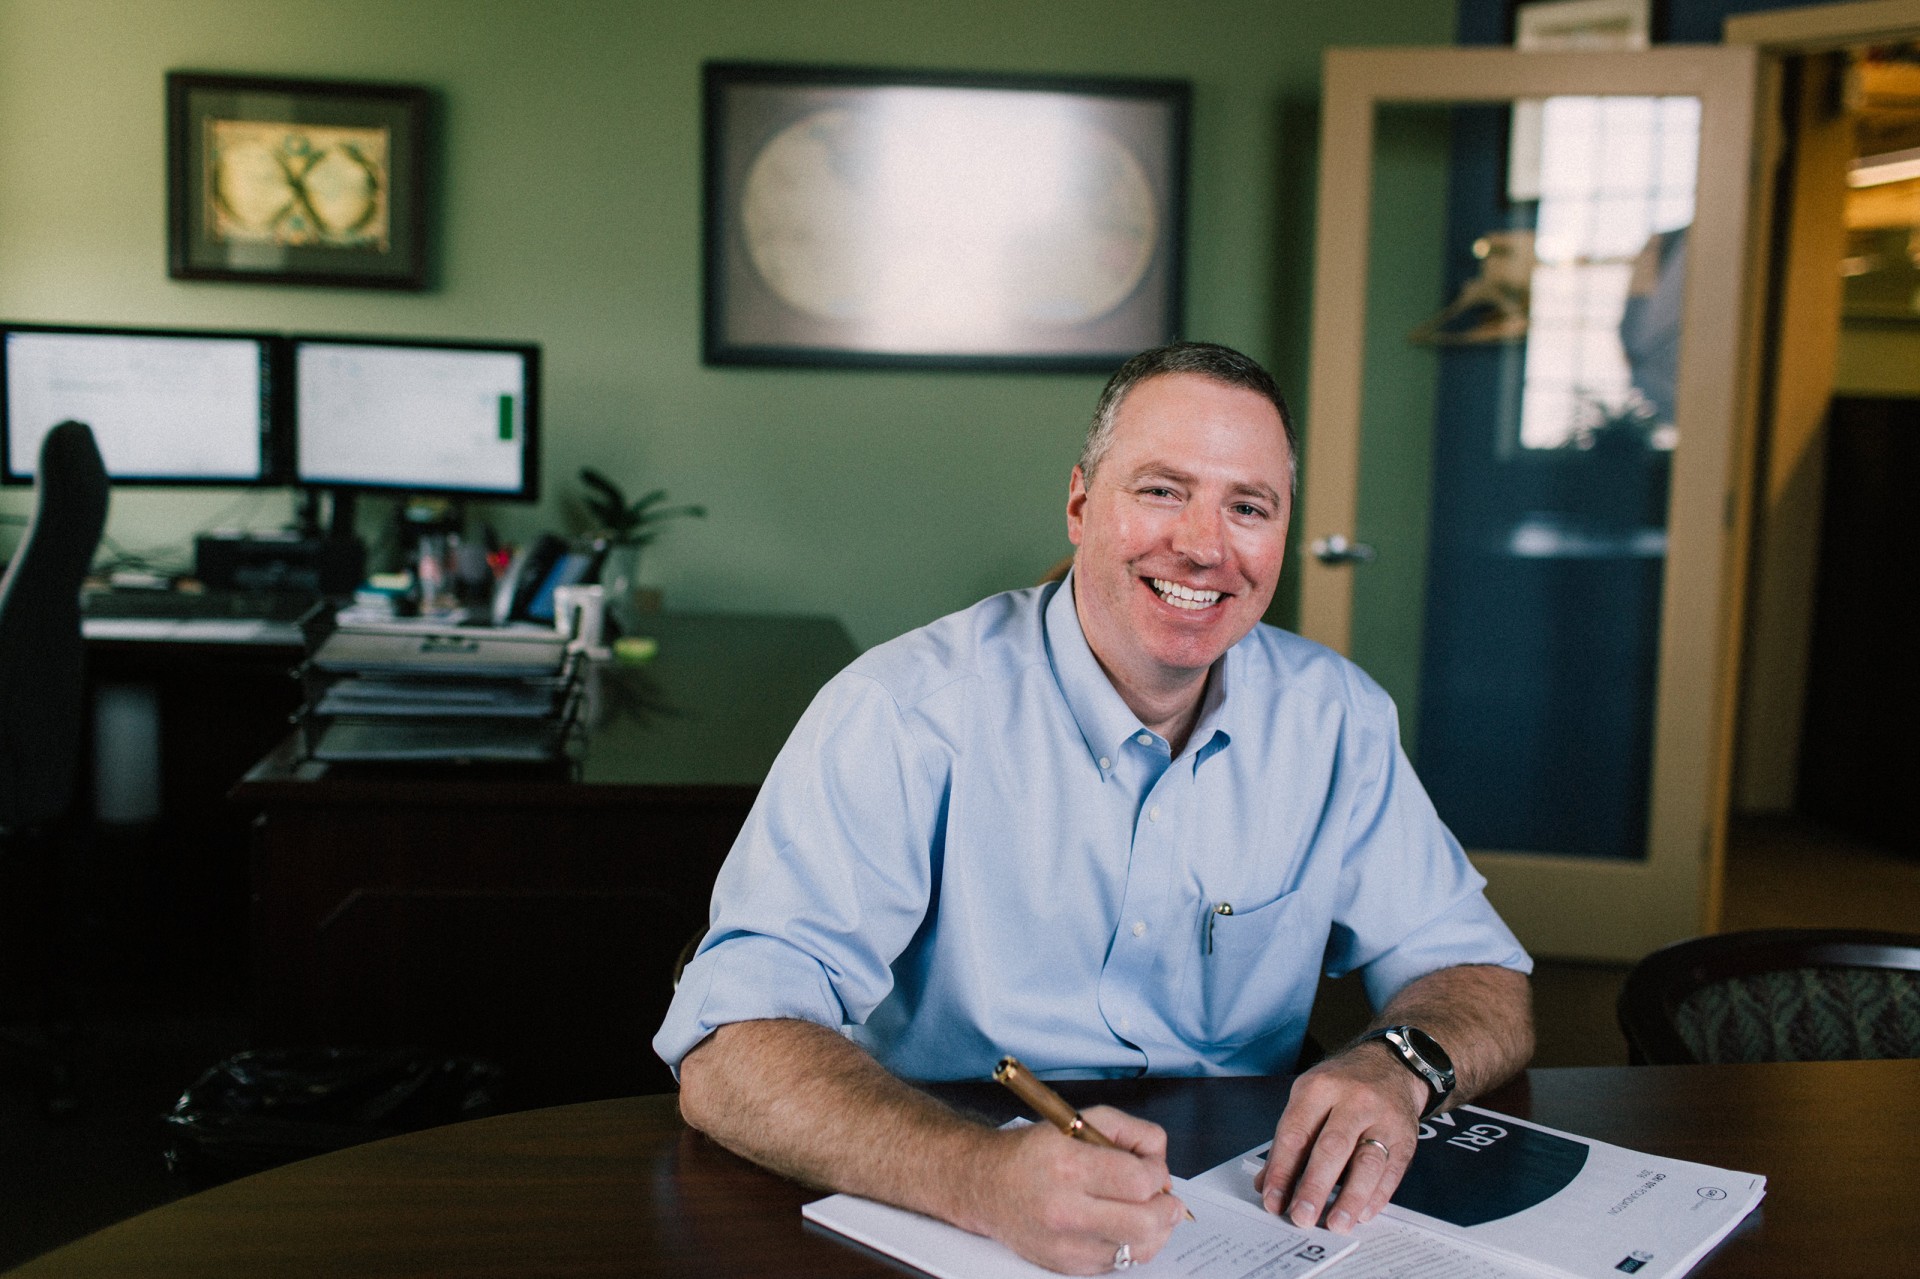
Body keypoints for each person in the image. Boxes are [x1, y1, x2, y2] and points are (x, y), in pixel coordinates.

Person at [655, 341, 1534, 1275]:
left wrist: (1397, 1063)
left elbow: (1479, 974)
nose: (1203, 544)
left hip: (1245, 1222)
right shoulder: (903, 713)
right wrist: (976, 1175)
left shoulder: (1336, 718)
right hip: (943, 1202)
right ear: (1080, 503)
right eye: (1162, 490)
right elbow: (729, 1045)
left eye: (1249, 506)